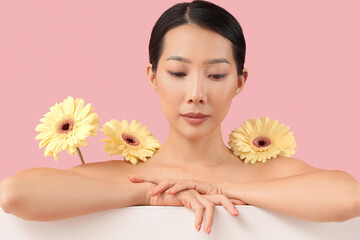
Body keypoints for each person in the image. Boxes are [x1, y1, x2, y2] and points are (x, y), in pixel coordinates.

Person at [0, 0, 359, 235]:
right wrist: (147, 197)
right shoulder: (128, 176)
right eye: (177, 73)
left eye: (216, 75)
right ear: (153, 77)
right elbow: (15, 194)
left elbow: (349, 198)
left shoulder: (272, 173)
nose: (196, 93)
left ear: (240, 81)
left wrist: (223, 190)